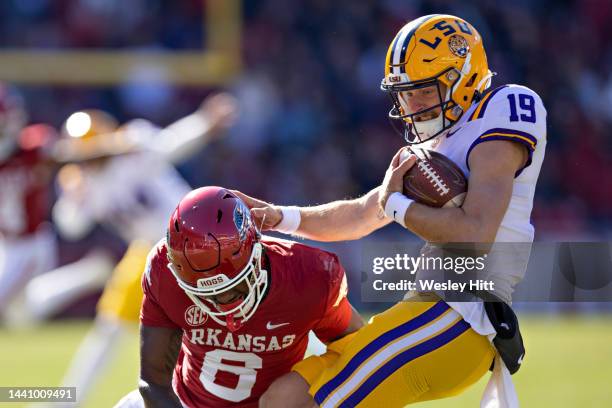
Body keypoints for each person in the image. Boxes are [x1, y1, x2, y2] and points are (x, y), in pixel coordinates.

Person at [240, 14, 546, 408]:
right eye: (404, 93)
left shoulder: (504, 108)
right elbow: (363, 213)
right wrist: (279, 217)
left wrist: (398, 206)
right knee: (285, 395)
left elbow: (476, 234)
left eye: (421, 91)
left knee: (299, 403)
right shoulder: (432, 147)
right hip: (428, 310)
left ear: (462, 77)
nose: (411, 105)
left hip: (459, 316)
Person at [33, 93, 238, 407]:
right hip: (146, 252)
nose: (88, 160)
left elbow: (170, 143)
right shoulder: (83, 180)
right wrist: (73, 198)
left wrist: (205, 122)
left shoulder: (133, 143)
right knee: (109, 328)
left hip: (192, 247)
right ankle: (66, 401)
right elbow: (71, 226)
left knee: (209, 330)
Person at [114, 186, 363, 407]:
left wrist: (301, 394)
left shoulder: (309, 276)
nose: (222, 304)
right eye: (207, 295)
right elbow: (152, 382)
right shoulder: (163, 270)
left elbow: (355, 348)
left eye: (233, 288)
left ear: (256, 252)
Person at [0, 82, 59, 323]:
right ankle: (88, 273)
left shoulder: (32, 149)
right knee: (23, 317)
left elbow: (56, 145)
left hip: (29, 245)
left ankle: (88, 274)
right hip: (5, 244)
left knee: (21, 313)